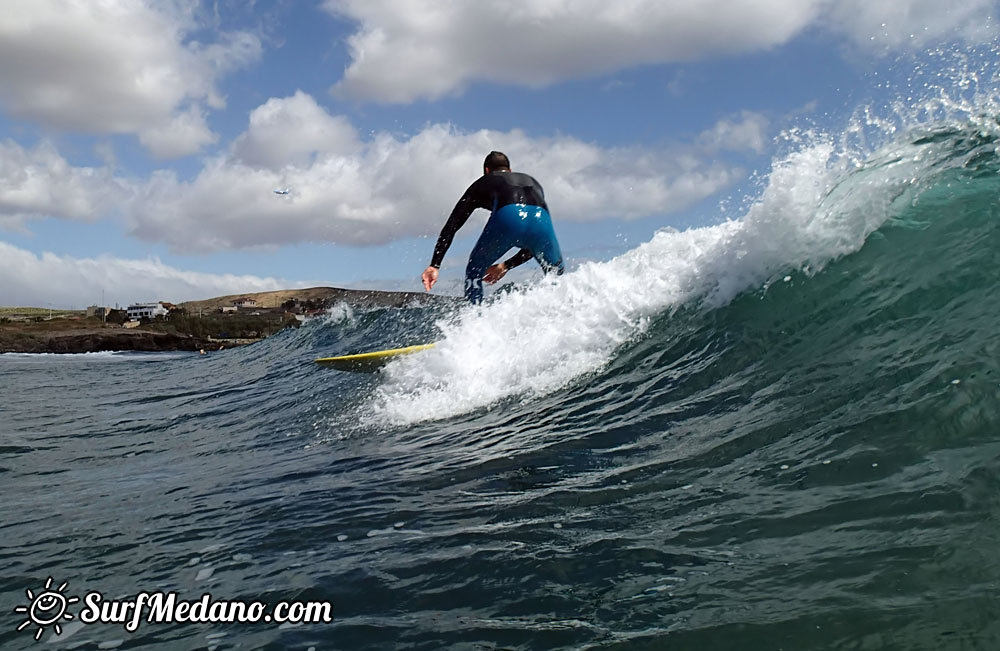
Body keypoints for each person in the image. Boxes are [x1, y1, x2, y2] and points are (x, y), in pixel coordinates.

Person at [421, 151, 564, 303]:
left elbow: (452, 225)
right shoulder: (533, 183)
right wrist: (506, 266)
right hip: (541, 218)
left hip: (508, 216)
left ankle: (474, 316)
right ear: (509, 169)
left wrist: (435, 264)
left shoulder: (482, 183)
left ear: (487, 171)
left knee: (475, 269)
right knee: (556, 272)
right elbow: (534, 244)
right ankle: (561, 313)